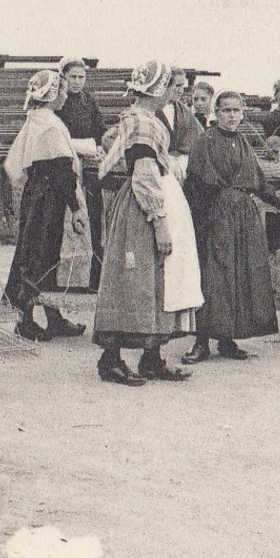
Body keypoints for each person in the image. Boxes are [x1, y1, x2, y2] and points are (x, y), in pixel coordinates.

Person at [92, 60, 200, 386]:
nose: (174, 93)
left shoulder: (141, 118)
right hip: (141, 209)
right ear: (159, 90)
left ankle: (151, 357)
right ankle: (110, 360)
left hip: (146, 204)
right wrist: (159, 221)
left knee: (157, 282)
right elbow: (144, 175)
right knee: (136, 282)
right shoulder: (144, 123)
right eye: (170, 87)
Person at [182, 91, 280, 363]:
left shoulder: (243, 143)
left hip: (244, 218)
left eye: (236, 111)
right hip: (216, 217)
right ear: (216, 112)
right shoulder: (204, 142)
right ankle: (201, 341)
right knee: (214, 276)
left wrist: (279, 200)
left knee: (239, 275)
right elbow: (194, 185)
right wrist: (201, 224)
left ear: (242, 113)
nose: (231, 115)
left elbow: (259, 181)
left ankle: (228, 340)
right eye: (226, 110)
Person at [2, 69, 87, 342]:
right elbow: (63, 169)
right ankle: (24, 320)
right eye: (61, 91)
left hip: (37, 193)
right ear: (51, 95)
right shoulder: (49, 124)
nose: (65, 96)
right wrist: (75, 207)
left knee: (41, 255)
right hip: (49, 197)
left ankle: (53, 316)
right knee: (39, 256)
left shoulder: (37, 119)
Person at [54, 56, 106, 291]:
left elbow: (99, 130)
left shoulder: (89, 101)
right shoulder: (58, 102)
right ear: (63, 77)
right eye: (72, 77)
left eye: (81, 77)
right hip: (65, 165)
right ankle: (65, 279)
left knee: (94, 219)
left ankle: (93, 278)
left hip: (89, 167)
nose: (77, 82)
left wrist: (100, 145)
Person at [159, 70, 198, 180]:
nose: (181, 91)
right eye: (177, 86)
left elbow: (197, 134)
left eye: (183, 87)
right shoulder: (154, 109)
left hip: (182, 161)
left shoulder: (183, 110)